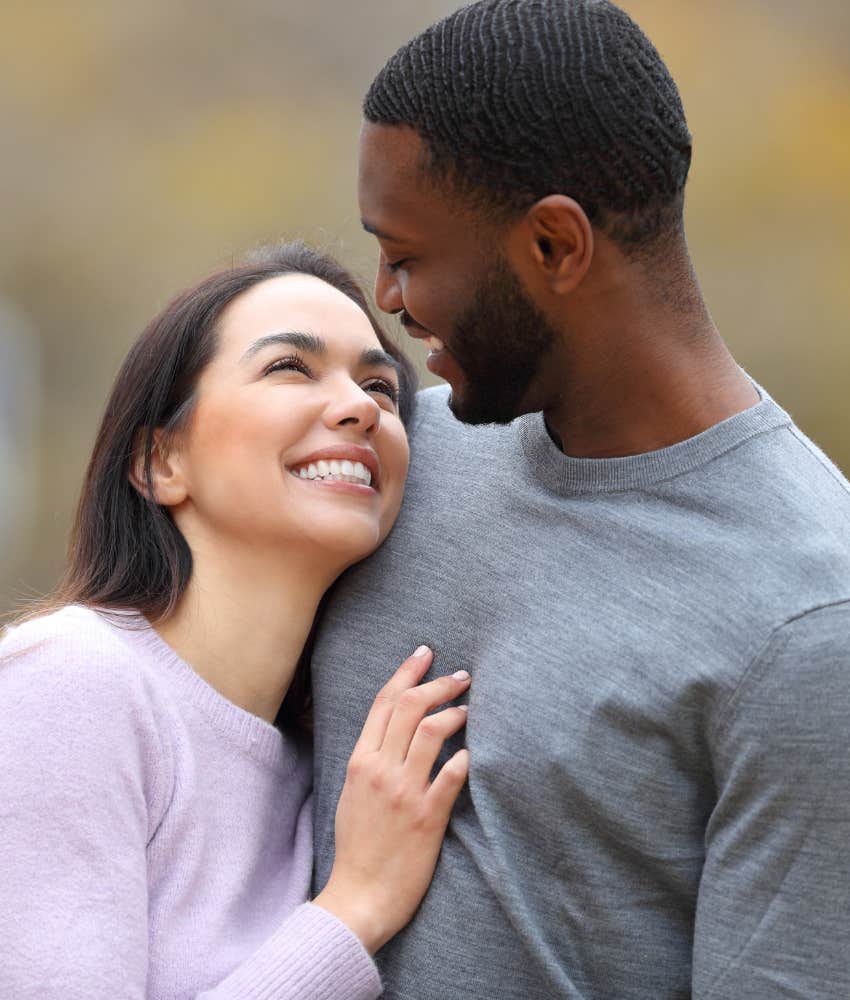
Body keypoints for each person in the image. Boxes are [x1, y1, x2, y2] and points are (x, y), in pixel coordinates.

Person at [309, 1, 850, 997]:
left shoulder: (809, 618)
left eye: (409, 255)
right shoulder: (391, 456)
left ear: (555, 245)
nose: (385, 296)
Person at [0, 242, 473, 1000]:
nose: (360, 407)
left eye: (381, 388)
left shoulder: (328, 763)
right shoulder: (69, 683)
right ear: (161, 462)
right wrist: (352, 912)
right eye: (289, 366)